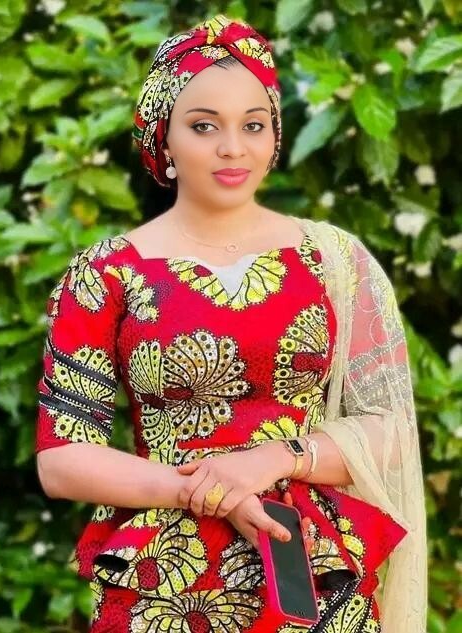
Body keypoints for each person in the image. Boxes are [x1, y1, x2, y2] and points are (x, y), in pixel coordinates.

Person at [35, 13, 427, 633]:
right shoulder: (107, 272)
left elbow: (390, 433)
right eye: (203, 126)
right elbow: (62, 458)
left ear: (275, 133)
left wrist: (275, 458)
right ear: (162, 137)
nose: (232, 148)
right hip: (164, 576)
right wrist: (212, 491)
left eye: (253, 124)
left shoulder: (334, 262)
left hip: (313, 568)